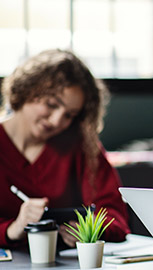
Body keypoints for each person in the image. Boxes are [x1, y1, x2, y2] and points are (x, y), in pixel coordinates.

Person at [0, 49, 130, 248]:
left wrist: (87, 229)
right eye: (51, 104)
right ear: (26, 90)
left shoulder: (81, 146)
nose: (57, 121)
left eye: (69, 115)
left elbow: (115, 216)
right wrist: (12, 228)